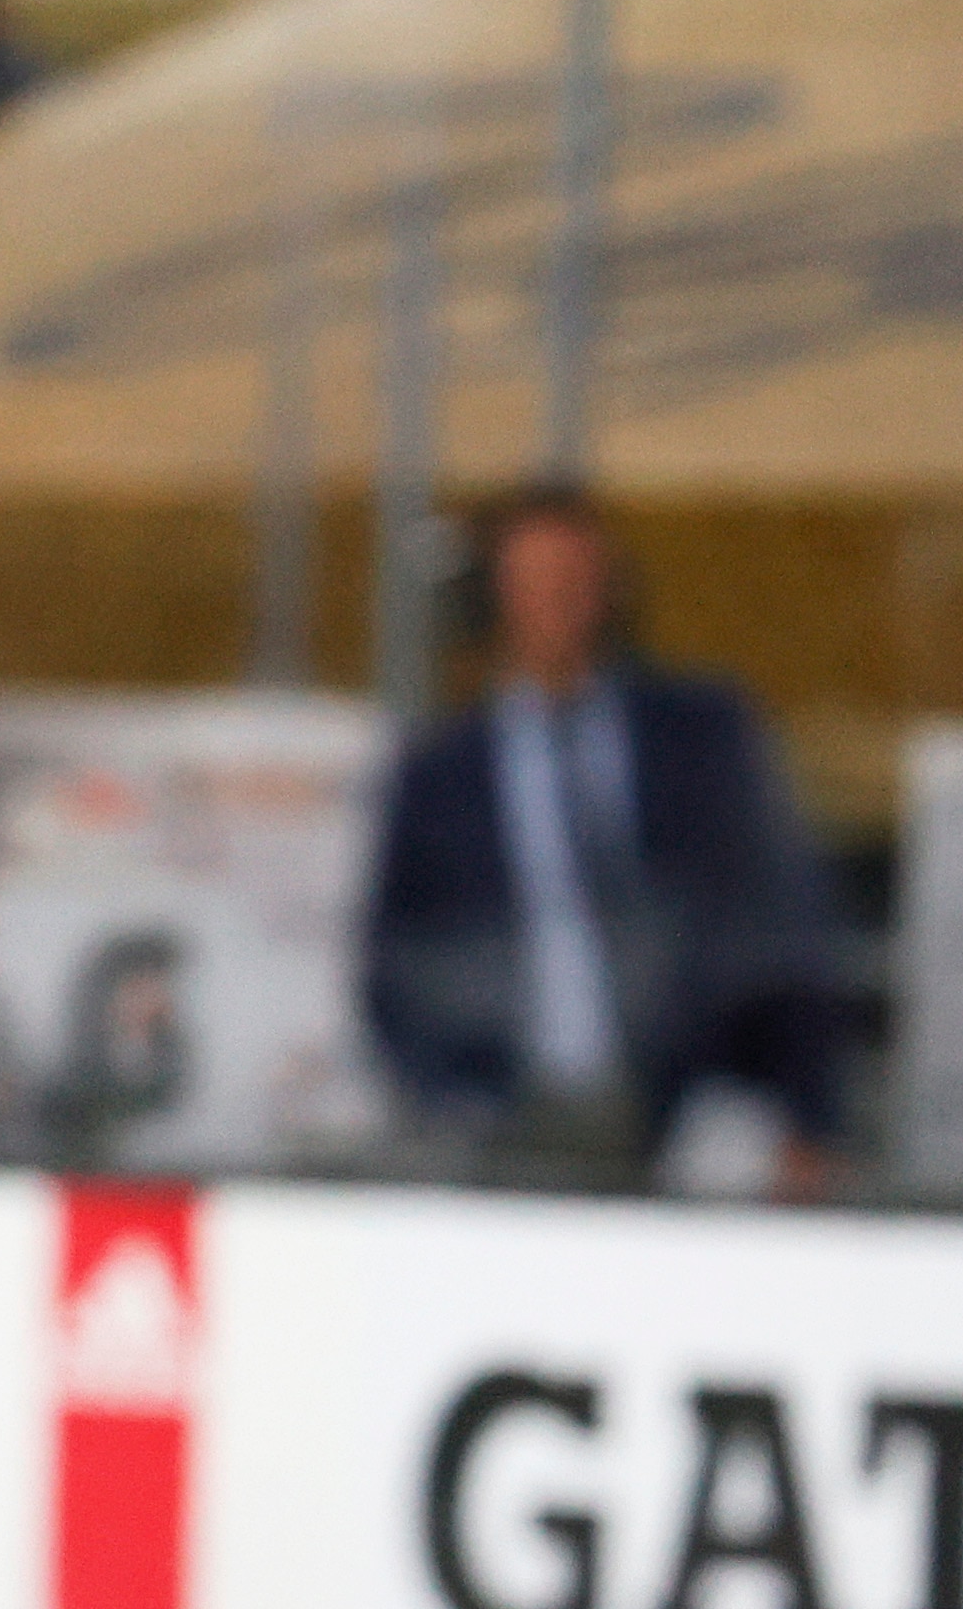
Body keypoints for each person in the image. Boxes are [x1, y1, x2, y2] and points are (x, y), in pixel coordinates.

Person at [362, 483, 849, 1193]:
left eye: (578, 581)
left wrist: (806, 1114)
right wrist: (448, 1097)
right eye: (536, 583)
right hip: (506, 1120)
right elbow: (395, 963)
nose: (562, 604)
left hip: (692, 1118)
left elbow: (778, 928)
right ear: (492, 599)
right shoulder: (440, 776)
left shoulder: (698, 738)